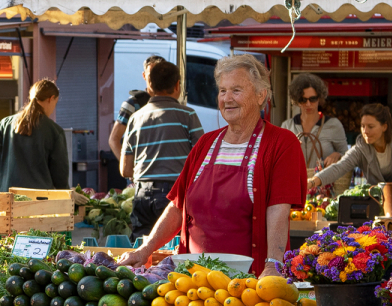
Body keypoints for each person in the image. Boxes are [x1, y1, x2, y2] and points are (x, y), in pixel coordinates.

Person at [121, 55, 304, 278]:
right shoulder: (205, 144)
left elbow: (278, 210)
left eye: (236, 90)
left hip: (248, 283)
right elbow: (178, 207)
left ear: (260, 95)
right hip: (194, 282)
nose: (227, 98)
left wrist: (273, 265)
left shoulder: (282, 144)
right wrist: (146, 249)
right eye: (222, 90)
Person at [119, 60, 203, 238]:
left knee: (141, 252)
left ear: (149, 87)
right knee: (172, 253)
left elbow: (125, 169)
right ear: (177, 86)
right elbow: (202, 160)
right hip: (175, 195)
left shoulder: (135, 118)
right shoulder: (188, 115)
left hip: (141, 195)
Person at [0, 79, 70, 190]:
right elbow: (60, 178)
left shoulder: (5, 124)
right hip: (40, 201)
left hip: (8, 199)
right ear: (51, 99)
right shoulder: (55, 131)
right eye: (55, 103)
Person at [309, 103, 392, 189]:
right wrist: (312, 182)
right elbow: (339, 167)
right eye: (363, 126)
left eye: (371, 127)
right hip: (376, 199)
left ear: (384, 127)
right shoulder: (361, 148)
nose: (365, 131)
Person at [281, 72, 349, 186]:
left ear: (319, 98)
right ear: (297, 100)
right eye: (303, 100)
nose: (308, 104)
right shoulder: (287, 126)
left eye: (312, 99)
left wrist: (338, 154)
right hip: (294, 186)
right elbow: (278, 161)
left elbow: (348, 158)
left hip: (324, 190)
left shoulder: (333, 125)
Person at [108, 55, 166, 160]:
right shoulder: (133, 104)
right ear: (144, 75)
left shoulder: (171, 104)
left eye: (159, 75)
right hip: (141, 172)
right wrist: (128, 168)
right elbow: (114, 139)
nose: (155, 80)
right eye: (151, 75)